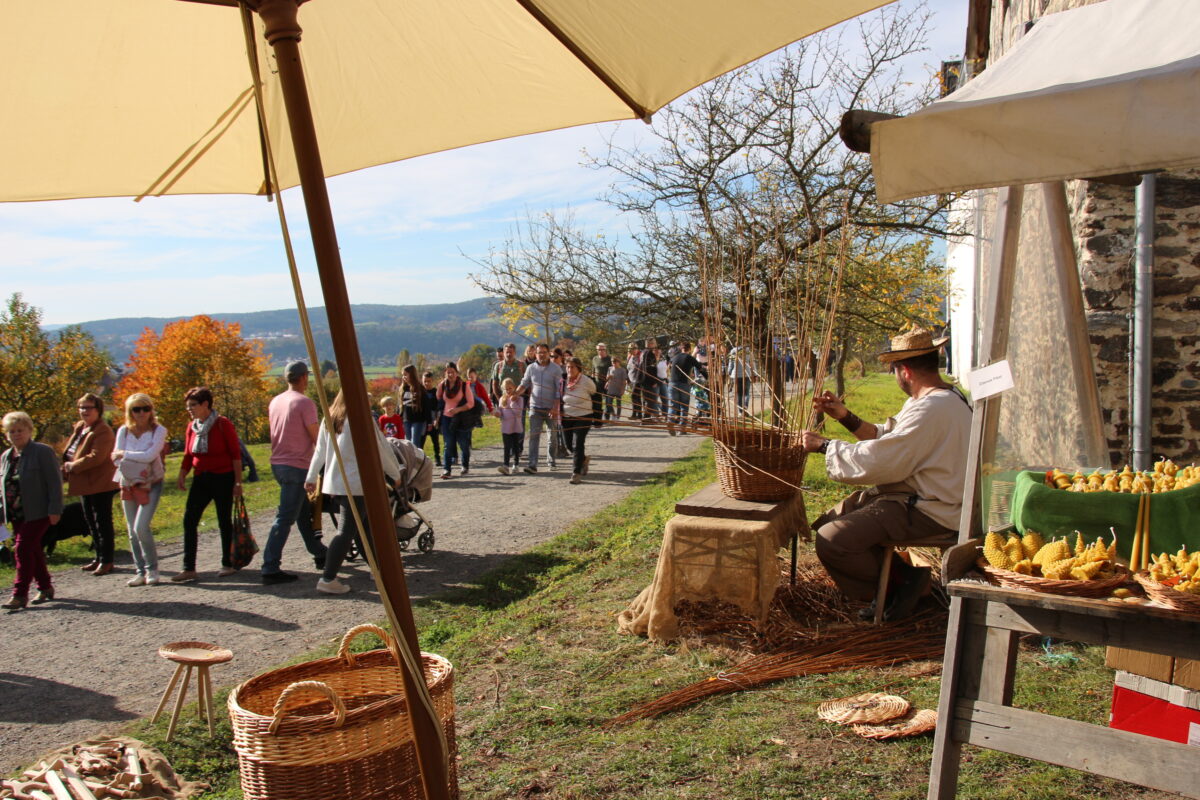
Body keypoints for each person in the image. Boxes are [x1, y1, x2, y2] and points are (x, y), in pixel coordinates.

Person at [799, 328, 971, 622]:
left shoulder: (932, 408)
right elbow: (889, 437)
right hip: (926, 497)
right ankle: (904, 581)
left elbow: (885, 460)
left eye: (894, 371)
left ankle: (901, 585)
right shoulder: (943, 397)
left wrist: (824, 446)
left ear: (903, 371)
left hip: (934, 507)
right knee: (832, 517)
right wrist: (844, 416)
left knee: (833, 540)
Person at [303, 390, 403, 594]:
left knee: (363, 529)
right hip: (356, 483)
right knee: (347, 531)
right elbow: (380, 448)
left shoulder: (330, 418)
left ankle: (379, 571)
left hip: (339, 483)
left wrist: (311, 476)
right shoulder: (360, 419)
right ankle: (328, 578)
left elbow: (320, 450)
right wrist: (395, 472)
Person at [260, 361, 328, 586]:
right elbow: (315, 436)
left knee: (302, 512)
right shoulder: (305, 403)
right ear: (304, 378)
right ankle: (270, 566)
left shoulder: (276, 401)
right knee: (286, 517)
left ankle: (320, 552)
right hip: (297, 465)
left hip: (278, 463)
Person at [174, 386, 243, 582]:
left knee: (224, 520)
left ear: (206, 404)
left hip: (223, 477)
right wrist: (182, 474)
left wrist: (238, 482)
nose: (190, 409)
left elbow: (235, 454)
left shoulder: (222, 424)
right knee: (189, 520)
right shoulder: (191, 427)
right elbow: (189, 454)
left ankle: (227, 563)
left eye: (193, 405)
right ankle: (189, 567)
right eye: (188, 406)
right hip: (201, 478)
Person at [1, 412, 63, 610]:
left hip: (39, 511)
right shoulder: (6, 457)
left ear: (29, 430)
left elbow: (55, 482)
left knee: (22, 549)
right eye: (12, 431)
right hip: (17, 514)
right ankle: (45, 587)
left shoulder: (42, 452)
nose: (16, 434)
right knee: (32, 550)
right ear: (6, 435)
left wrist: (55, 509)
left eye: (20, 430)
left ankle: (19, 594)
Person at [111, 393, 167, 586]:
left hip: (151, 483)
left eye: (146, 408)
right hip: (127, 483)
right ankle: (140, 571)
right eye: (136, 409)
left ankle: (153, 569)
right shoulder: (123, 431)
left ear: (151, 410)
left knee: (141, 526)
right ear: (130, 412)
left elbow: (151, 455)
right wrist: (133, 457)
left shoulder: (158, 430)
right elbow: (115, 459)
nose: (142, 413)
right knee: (131, 530)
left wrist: (125, 454)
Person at [62, 393, 120, 576]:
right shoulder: (81, 427)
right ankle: (98, 556)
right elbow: (73, 450)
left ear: (98, 410)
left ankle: (107, 560)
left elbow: (97, 457)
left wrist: (73, 466)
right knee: (90, 521)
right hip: (84, 483)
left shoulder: (103, 430)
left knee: (102, 521)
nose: (84, 411)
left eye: (89, 408)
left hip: (101, 483)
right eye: (82, 407)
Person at [518, 343, 563, 474]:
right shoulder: (531, 368)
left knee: (552, 436)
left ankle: (551, 460)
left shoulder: (556, 369)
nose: (541, 355)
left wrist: (555, 407)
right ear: (535, 354)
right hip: (535, 406)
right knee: (534, 436)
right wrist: (515, 394)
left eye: (544, 352)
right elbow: (524, 383)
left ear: (548, 353)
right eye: (539, 352)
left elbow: (559, 390)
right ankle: (532, 464)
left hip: (551, 408)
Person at [436, 362, 477, 478]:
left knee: (463, 444)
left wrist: (458, 409)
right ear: (445, 373)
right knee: (448, 444)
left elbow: (471, 403)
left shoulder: (464, 386)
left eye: (452, 372)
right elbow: (438, 398)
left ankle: (465, 465)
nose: (450, 374)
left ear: (457, 372)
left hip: (461, 419)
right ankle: (447, 469)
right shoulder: (442, 386)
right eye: (448, 372)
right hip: (446, 418)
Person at [561, 358, 597, 485]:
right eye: (568, 367)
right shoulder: (563, 381)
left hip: (583, 416)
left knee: (578, 443)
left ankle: (576, 473)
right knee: (569, 445)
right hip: (566, 417)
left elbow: (595, 393)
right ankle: (583, 460)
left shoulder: (586, 381)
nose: (569, 370)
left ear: (579, 368)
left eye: (572, 367)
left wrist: (598, 416)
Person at [667, 341, 705, 433]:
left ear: (681, 348)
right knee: (684, 406)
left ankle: (670, 422)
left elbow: (669, 367)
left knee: (673, 405)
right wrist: (707, 378)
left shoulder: (674, 357)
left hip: (672, 383)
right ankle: (682, 428)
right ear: (689, 349)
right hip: (684, 384)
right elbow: (700, 368)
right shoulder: (690, 358)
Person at [494, 378, 526, 475]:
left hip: (515, 427)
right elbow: (500, 411)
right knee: (506, 447)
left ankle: (516, 464)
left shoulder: (520, 399)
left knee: (516, 446)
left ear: (514, 388)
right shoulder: (501, 399)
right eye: (506, 389)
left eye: (510, 388)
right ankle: (506, 465)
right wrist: (497, 413)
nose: (508, 391)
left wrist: (512, 402)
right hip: (506, 427)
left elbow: (518, 412)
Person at [490, 343, 525, 418]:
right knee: (506, 424)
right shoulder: (498, 366)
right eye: (507, 352)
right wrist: (500, 399)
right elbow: (494, 384)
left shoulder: (521, 365)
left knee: (519, 425)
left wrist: (528, 398)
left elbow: (527, 382)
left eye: (511, 352)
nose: (509, 354)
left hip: (519, 400)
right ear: (504, 353)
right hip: (504, 400)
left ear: (515, 352)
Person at [400, 365, 427, 446]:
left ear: (411, 375)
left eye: (405, 374)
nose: (404, 377)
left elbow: (425, 405)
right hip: (406, 419)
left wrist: (428, 421)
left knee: (415, 442)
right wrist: (399, 416)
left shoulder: (420, 388)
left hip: (418, 419)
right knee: (408, 442)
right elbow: (401, 405)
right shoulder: (403, 388)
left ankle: (417, 458)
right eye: (403, 375)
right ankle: (410, 458)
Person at [422, 371, 442, 464]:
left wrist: (437, 419)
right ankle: (421, 459)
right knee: (421, 441)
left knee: (435, 440)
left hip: (433, 417)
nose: (427, 383)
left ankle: (437, 457)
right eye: (425, 381)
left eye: (429, 381)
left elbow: (439, 407)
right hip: (423, 419)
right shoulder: (421, 392)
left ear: (432, 381)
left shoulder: (435, 392)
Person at [604, 356, 628, 420]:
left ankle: (618, 417)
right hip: (611, 388)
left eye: (615, 362)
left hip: (619, 388)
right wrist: (608, 377)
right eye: (612, 362)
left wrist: (623, 389)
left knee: (618, 404)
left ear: (619, 362)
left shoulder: (622, 370)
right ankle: (613, 414)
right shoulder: (610, 368)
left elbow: (624, 381)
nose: (613, 363)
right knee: (609, 403)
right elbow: (607, 378)